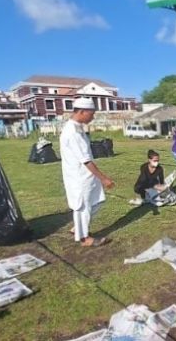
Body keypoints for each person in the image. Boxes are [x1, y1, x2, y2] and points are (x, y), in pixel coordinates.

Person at [60, 97, 114, 247]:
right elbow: (86, 160)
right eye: (92, 113)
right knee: (83, 206)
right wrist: (104, 179)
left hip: (87, 176)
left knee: (97, 201)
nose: (93, 117)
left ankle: (78, 228)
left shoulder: (78, 127)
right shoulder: (72, 132)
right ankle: (84, 238)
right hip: (79, 176)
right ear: (82, 112)